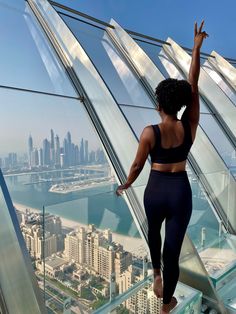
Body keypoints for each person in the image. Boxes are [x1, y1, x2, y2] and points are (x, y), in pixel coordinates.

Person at [116, 21, 208, 313]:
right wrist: (195, 50)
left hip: (155, 190)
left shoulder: (148, 132)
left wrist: (127, 184)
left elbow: (136, 166)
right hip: (180, 191)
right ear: (180, 105)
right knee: (173, 254)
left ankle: (155, 275)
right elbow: (193, 86)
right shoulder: (189, 126)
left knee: (153, 232)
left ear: (159, 104)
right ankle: (167, 304)